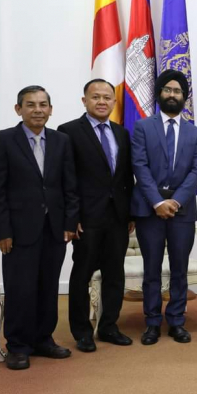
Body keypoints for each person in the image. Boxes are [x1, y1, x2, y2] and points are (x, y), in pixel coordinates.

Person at [0, 85, 79, 370]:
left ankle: (43, 339)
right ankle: (17, 345)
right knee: (20, 289)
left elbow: (70, 186)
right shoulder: (3, 140)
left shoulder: (61, 141)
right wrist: (2, 231)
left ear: (50, 109)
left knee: (48, 287)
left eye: (43, 104)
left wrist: (69, 222)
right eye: (30, 104)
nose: (37, 110)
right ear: (19, 109)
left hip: (54, 229)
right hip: (18, 231)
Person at [57, 79, 134, 353]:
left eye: (107, 97)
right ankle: (82, 331)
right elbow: (66, 178)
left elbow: (126, 176)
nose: (102, 101)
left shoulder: (121, 133)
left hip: (117, 217)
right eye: (95, 97)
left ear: (114, 102)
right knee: (82, 274)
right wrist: (71, 216)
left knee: (115, 274)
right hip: (86, 218)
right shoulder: (68, 131)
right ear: (84, 101)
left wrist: (130, 213)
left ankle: (109, 326)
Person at [130, 69, 197, 345]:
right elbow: (139, 165)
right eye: (168, 90)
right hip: (149, 209)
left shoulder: (195, 133)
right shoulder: (142, 127)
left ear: (184, 97)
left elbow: (196, 172)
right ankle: (152, 322)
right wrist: (158, 201)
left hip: (182, 211)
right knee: (151, 269)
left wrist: (175, 201)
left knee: (179, 269)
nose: (172, 95)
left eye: (177, 91)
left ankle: (176, 321)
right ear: (159, 93)